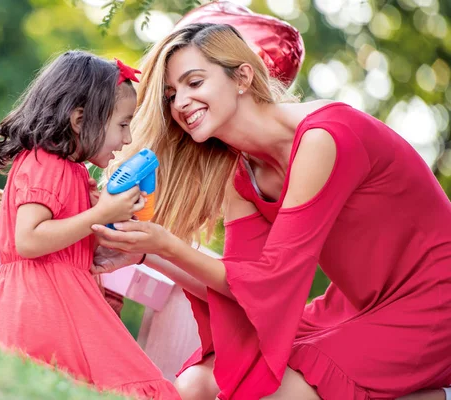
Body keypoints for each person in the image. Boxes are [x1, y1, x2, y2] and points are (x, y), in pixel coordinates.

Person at [91, 23, 451, 400]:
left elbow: (270, 283)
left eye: (194, 83)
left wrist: (165, 246)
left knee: (271, 395)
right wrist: (145, 252)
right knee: (194, 385)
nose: (180, 103)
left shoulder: (322, 139)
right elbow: (240, 288)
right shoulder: (243, 172)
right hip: (353, 307)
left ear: (242, 76)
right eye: (170, 95)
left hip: (432, 307)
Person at [0, 50, 181, 400]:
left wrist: (108, 220)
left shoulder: (74, 170)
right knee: (122, 382)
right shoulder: (43, 162)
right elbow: (29, 240)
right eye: (123, 124)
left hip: (63, 295)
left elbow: (73, 245)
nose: (127, 139)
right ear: (79, 119)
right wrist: (97, 215)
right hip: (41, 302)